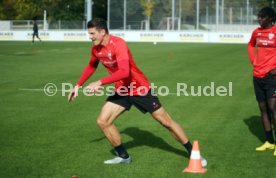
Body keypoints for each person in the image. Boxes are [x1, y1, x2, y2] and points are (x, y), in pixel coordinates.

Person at [68, 18, 207, 165]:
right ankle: (123, 156)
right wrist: (78, 85)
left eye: (92, 33)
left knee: (165, 121)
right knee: (103, 121)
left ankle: (194, 153)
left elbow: (124, 72)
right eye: (89, 34)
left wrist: (99, 82)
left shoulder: (118, 44)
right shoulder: (96, 49)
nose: (90, 37)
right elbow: (91, 66)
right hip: (122, 89)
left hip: (139, 87)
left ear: (102, 32)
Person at [247, 7, 276, 156]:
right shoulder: (256, 32)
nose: (260, 19)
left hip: (272, 77)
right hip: (257, 75)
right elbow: (251, 45)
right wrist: (254, 61)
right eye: (259, 16)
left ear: (271, 18)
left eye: (263, 17)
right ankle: (270, 142)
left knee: (273, 108)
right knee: (263, 109)